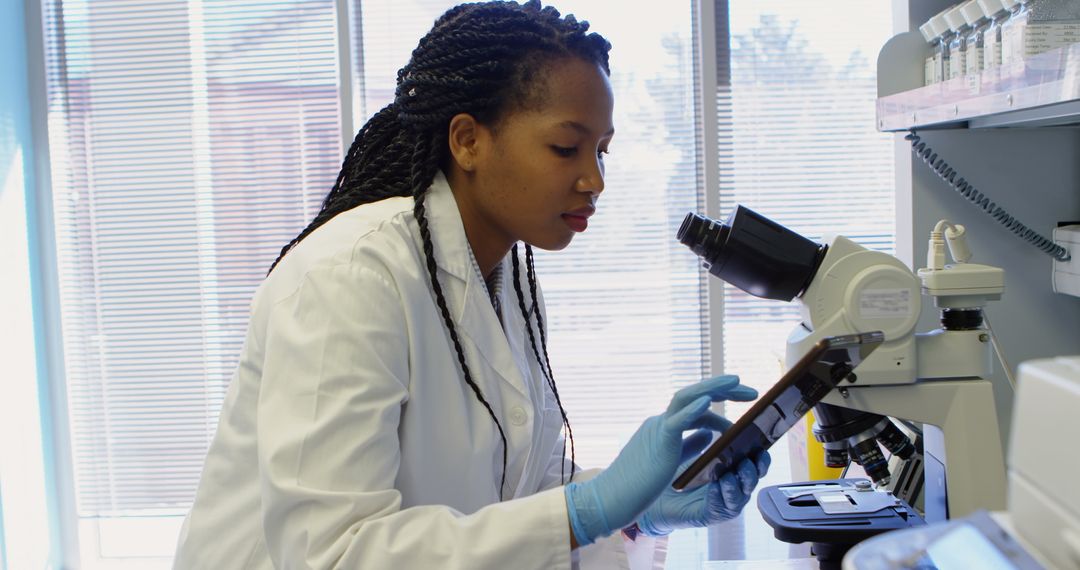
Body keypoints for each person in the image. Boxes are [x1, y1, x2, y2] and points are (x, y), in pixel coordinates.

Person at [173, 1, 769, 568]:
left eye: (601, 151)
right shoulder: (350, 276)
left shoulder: (506, 277)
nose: (594, 180)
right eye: (566, 147)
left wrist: (638, 509)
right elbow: (333, 553)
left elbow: (512, 492)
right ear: (467, 140)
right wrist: (588, 510)